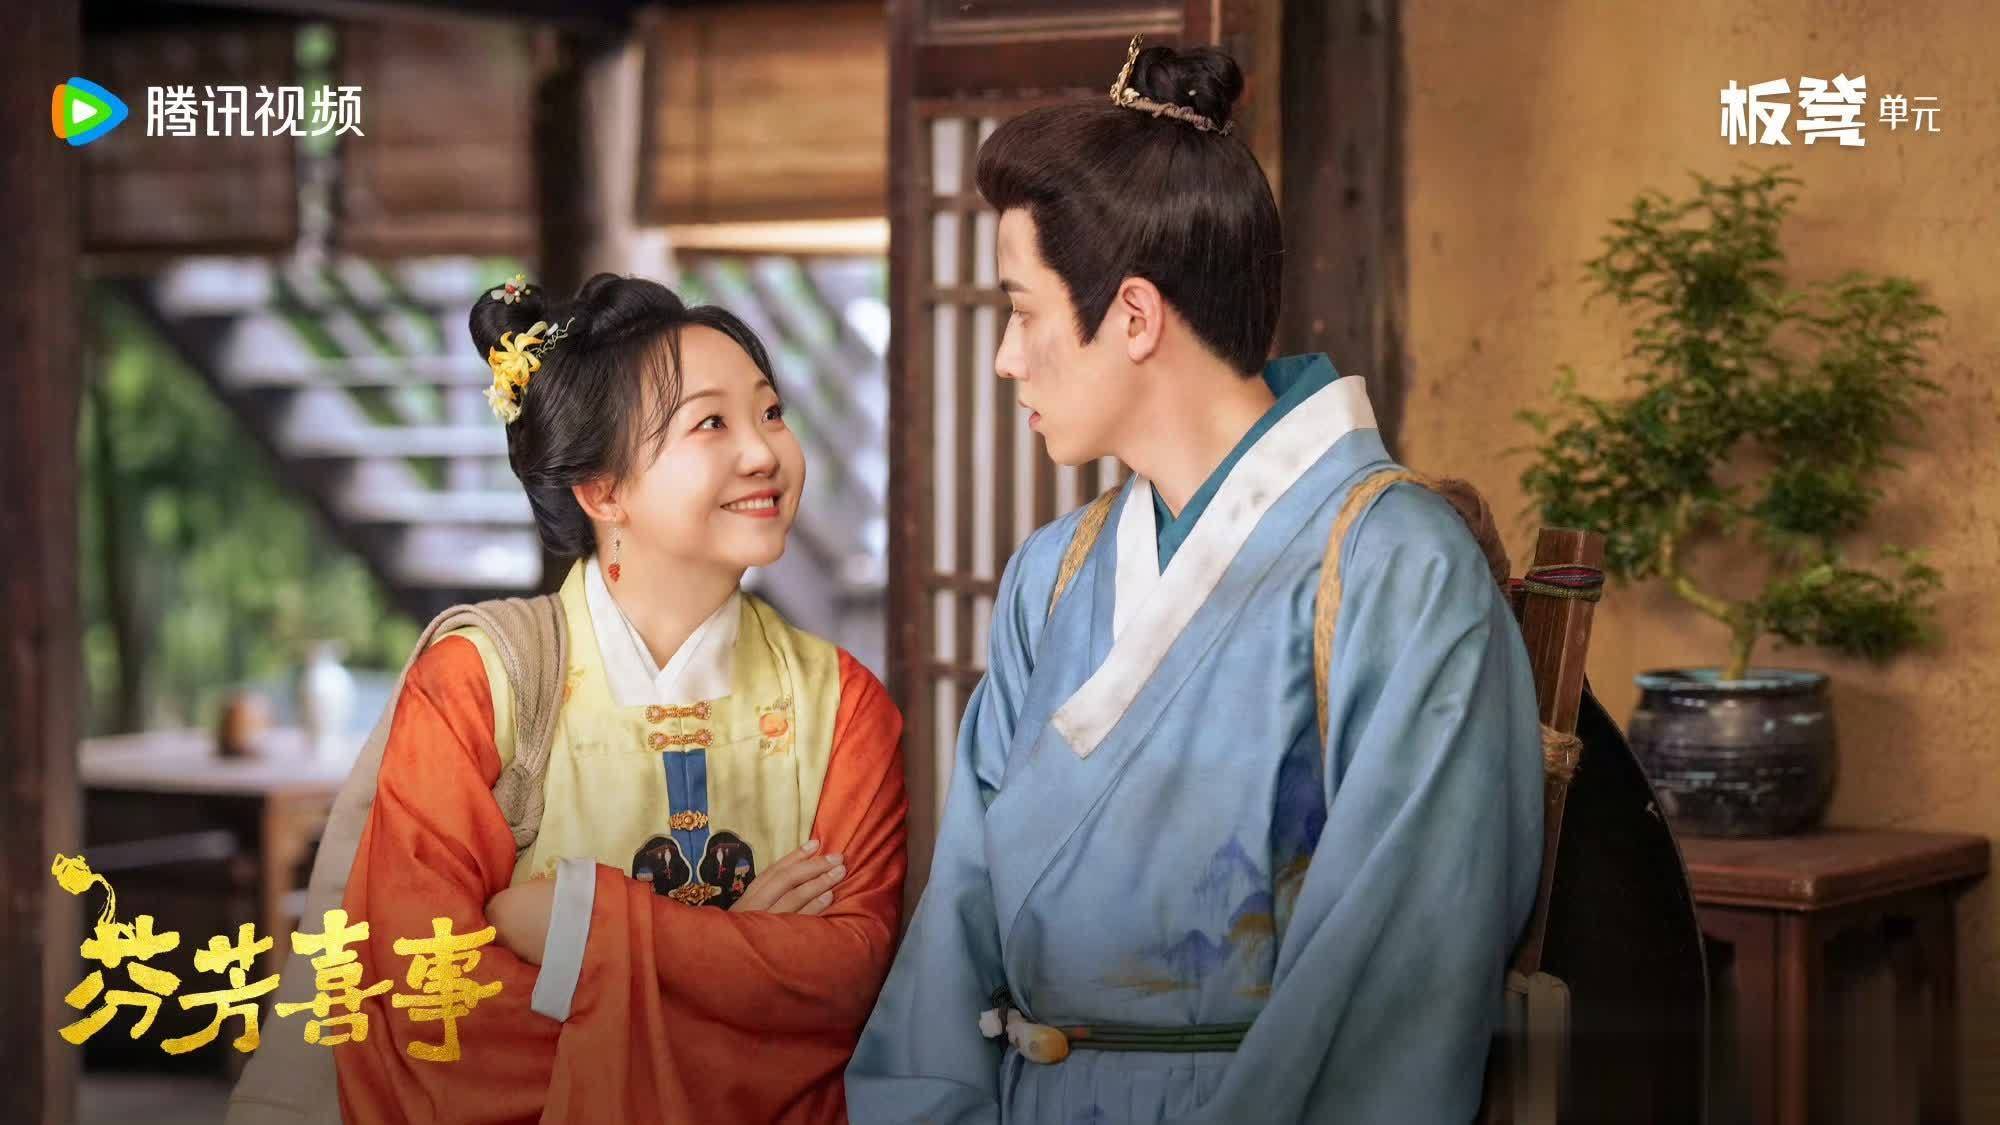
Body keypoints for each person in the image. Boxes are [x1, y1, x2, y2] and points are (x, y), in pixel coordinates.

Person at [846, 37, 1542, 1123]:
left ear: (1133, 315)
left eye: (1022, 311)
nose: (1006, 358)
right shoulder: (1051, 575)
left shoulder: (1398, 570)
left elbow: (1396, 986)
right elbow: (954, 938)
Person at [328, 274, 907, 1122]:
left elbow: (845, 983)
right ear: (603, 490)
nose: (764, 452)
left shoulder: (842, 706)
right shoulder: (479, 685)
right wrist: (739, 952)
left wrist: (584, 925)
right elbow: (431, 1003)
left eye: (771, 412)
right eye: (711, 423)